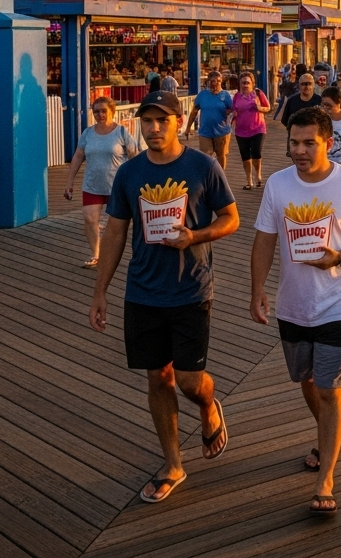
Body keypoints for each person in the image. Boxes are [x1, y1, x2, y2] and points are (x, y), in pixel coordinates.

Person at [89, 90, 239, 503]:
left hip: (191, 288)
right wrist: (100, 291)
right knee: (158, 376)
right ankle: (173, 464)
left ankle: (209, 407)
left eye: (163, 121)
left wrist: (197, 235)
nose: (154, 129)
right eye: (148, 121)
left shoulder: (202, 166)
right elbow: (116, 231)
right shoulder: (130, 173)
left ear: (178, 123)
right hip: (143, 291)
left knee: (190, 381)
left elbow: (231, 218)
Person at [250, 106, 341, 515]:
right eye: (294, 142)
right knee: (305, 379)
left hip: (340, 300)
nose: (300, 150)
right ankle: (327, 430)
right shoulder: (277, 185)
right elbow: (263, 240)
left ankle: (325, 478)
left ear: (329, 142)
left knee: (329, 389)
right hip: (293, 303)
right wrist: (258, 289)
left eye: (309, 143)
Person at [63, 96, 137, 267]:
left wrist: (137, 181)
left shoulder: (122, 132)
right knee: (89, 219)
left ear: (111, 111)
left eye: (103, 111)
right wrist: (69, 182)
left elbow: (135, 157)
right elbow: (78, 156)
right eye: (96, 111)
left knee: (116, 225)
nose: (100, 114)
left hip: (116, 186)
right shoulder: (87, 133)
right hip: (92, 184)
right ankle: (96, 255)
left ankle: (112, 254)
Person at [185, 71, 234, 170]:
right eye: (213, 81)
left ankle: (221, 176)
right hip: (205, 132)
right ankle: (207, 178)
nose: (215, 83)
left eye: (218, 81)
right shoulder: (202, 95)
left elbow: (233, 110)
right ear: (208, 82)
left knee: (221, 155)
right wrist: (188, 128)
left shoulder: (226, 95)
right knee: (205, 157)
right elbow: (194, 112)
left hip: (222, 132)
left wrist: (230, 114)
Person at [231, 72, 270, 189]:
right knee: (245, 156)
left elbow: (268, 108)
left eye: (248, 82)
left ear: (252, 84)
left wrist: (259, 108)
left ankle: (258, 174)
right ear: (239, 84)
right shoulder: (237, 96)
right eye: (243, 83)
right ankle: (249, 181)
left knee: (256, 153)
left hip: (258, 128)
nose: (245, 85)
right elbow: (234, 110)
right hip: (241, 130)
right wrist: (232, 115)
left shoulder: (258, 93)